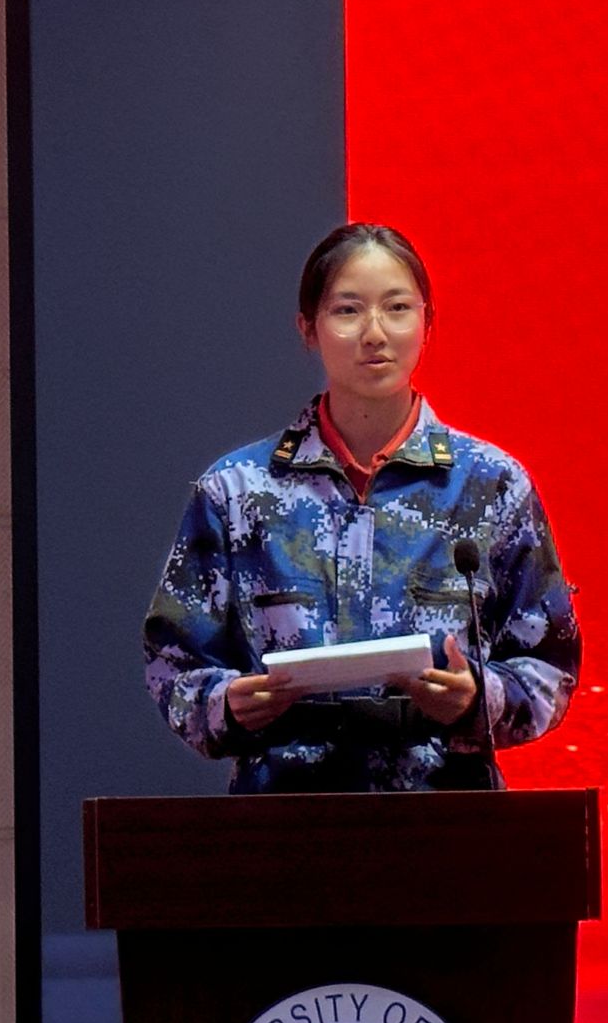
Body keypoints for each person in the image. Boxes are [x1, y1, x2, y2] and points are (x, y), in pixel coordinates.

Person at [142, 222, 580, 792]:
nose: (375, 333)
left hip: (445, 816)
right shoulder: (236, 491)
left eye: (397, 308)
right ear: (308, 328)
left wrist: (478, 698)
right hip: (284, 817)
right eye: (347, 311)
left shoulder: (491, 485)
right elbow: (174, 665)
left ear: (428, 324)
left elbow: (549, 667)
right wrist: (225, 705)